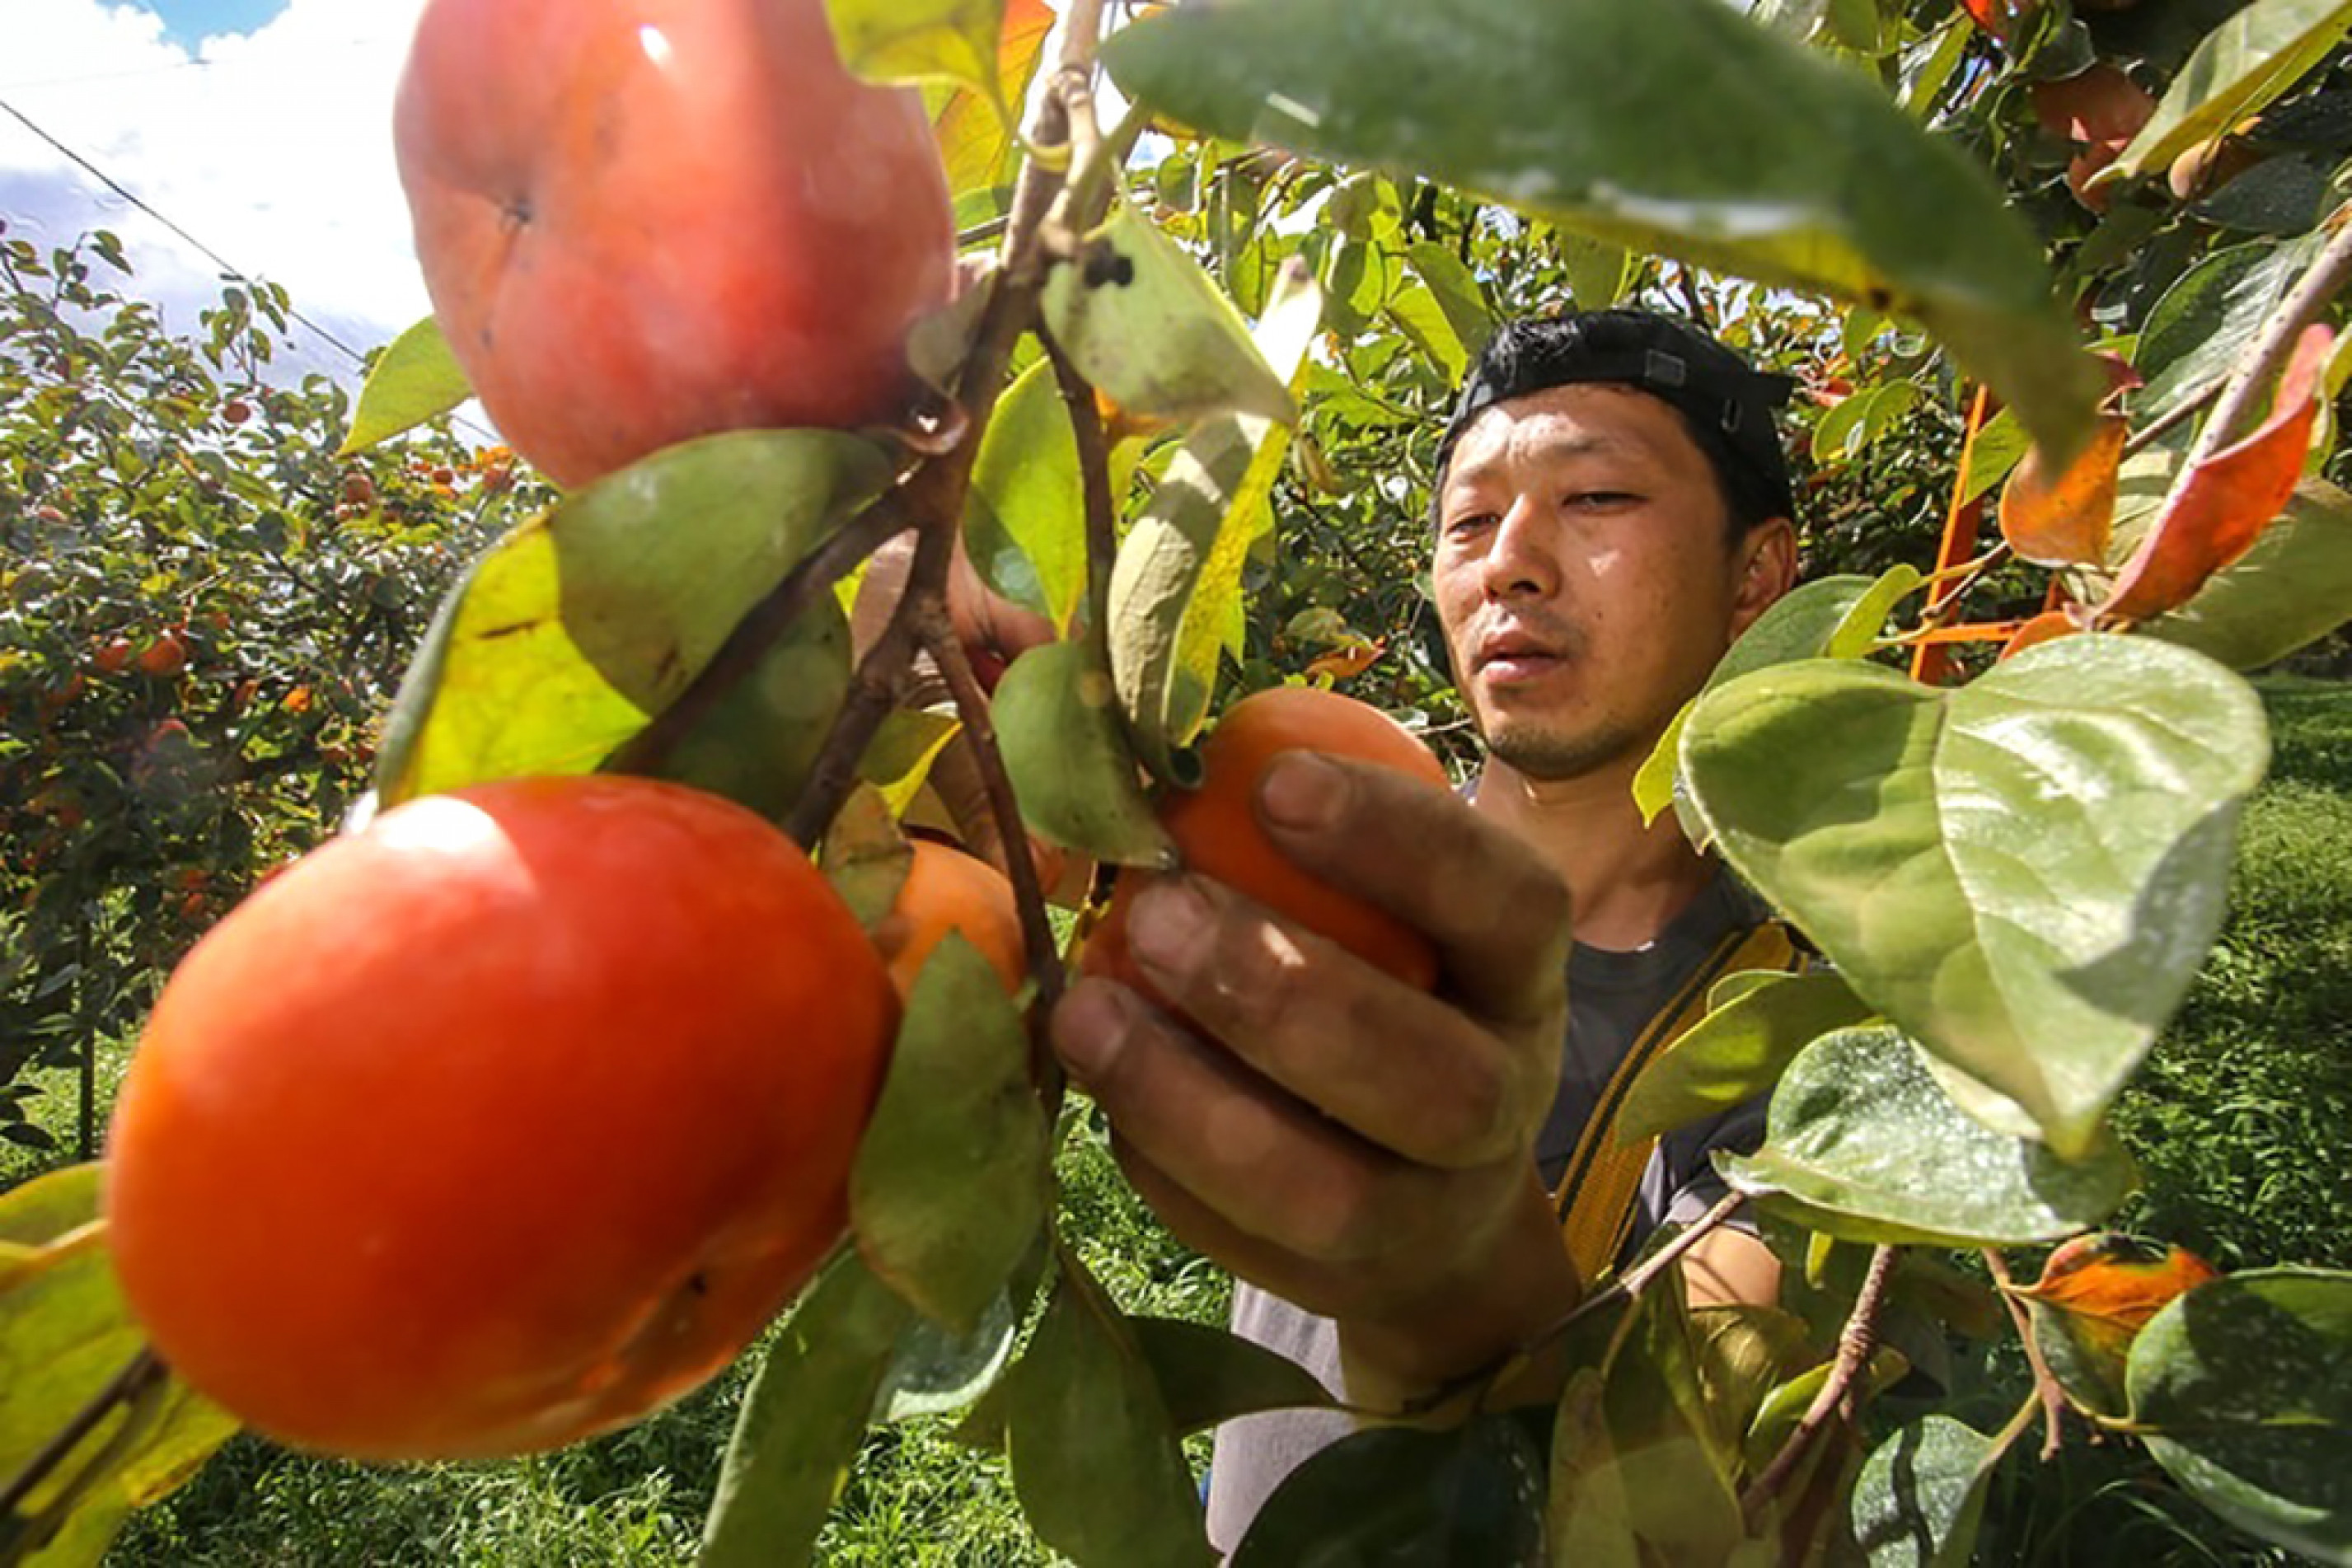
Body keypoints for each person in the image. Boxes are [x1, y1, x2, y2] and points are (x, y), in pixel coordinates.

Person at [1047, 307, 1804, 1552]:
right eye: (1467, 519)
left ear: (1757, 576)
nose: (1510, 559)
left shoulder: (1794, 1028)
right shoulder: (1288, 835)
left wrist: (1455, 1309)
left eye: (1597, 497)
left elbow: (1676, 1508)